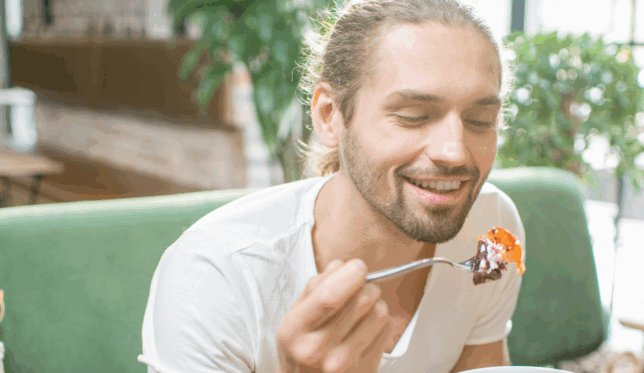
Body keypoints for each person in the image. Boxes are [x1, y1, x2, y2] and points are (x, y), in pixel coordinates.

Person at [139, 0, 526, 371]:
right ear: (330, 116)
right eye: (413, 116)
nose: (455, 152)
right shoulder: (215, 277)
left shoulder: (490, 231)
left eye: (479, 120)